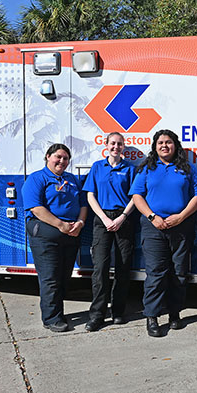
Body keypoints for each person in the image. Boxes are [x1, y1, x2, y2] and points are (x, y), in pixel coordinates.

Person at [130, 129, 197, 337]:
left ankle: (175, 314)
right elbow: (137, 196)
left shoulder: (187, 168)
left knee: (179, 273)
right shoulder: (146, 168)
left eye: (169, 142)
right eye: (160, 142)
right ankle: (152, 317)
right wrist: (153, 217)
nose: (165, 145)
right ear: (155, 146)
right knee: (155, 273)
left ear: (176, 146)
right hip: (153, 227)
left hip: (181, 227)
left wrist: (180, 217)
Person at [22, 143, 87, 332]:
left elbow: (83, 204)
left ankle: (58, 312)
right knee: (50, 277)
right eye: (58, 157)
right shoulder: (37, 178)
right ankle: (51, 319)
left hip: (70, 234)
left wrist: (80, 224)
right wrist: (61, 225)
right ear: (48, 156)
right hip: (46, 235)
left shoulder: (72, 179)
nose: (61, 161)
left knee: (63, 276)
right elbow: (35, 207)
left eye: (65, 158)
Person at [83, 132, 137, 332]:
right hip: (102, 219)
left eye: (120, 144)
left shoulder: (130, 169)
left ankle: (118, 312)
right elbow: (90, 195)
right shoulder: (98, 167)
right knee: (100, 269)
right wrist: (105, 219)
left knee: (123, 268)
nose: (116, 147)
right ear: (106, 145)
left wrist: (122, 217)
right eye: (113, 143)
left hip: (124, 218)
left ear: (124, 147)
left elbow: (135, 196)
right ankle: (97, 315)